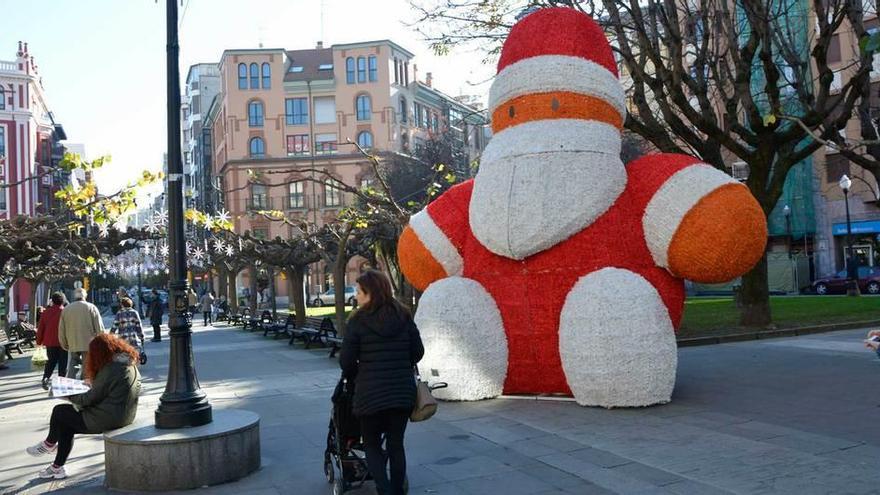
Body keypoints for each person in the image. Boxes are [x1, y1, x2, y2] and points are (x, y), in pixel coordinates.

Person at [340, 270, 424, 495]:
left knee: (372, 445)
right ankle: (397, 491)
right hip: (401, 393)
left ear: (370, 293)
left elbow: (346, 361)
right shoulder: (404, 316)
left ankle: (384, 490)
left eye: (359, 292)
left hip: (370, 394)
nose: (356, 296)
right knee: (396, 445)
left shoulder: (357, 321)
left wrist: (360, 373)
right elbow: (418, 352)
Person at [26, 333, 142, 480]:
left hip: (109, 418)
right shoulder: (125, 363)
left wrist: (66, 394)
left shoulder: (112, 369)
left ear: (100, 353)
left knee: (60, 411)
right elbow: (107, 389)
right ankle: (57, 467)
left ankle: (49, 443)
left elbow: (88, 399)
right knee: (66, 424)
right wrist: (92, 383)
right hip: (121, 414)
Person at [59, 288, 105, 380]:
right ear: (85, 296)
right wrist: (102, 341)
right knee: (87, 365)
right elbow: (99, 328)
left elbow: (61, 329)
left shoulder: (66, 309)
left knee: (73, 363)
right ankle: (84, 383)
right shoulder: (91, 307)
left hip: (73, 342)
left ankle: (70, 382)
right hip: (88, 343)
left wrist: (64, 343)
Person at [37, 293, 68, 390]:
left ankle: (45, 378)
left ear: (52, 301)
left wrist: (39, 342)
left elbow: (41, 328)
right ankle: (62, 384)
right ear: (63, 301)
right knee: (63, 364)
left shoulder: (46, 312)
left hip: (49, 341)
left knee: (50, 362)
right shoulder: (65, 312)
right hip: (63, 341)